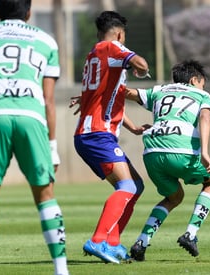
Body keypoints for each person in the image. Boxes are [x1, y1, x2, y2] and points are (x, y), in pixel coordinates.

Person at [0, 0, 69, 274]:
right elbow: (49, 100)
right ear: (29, 12)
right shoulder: (45, 41)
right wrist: (52, 147)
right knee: (45, 194)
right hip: (32, 117)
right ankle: (61, 269)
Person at [124, 60, 210, 261]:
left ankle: (141, 242)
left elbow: (126, 93)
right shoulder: (201, 95)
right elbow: (205, 117)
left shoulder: (159, 90)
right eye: (202, 83)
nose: (204, 87)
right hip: (181, 151)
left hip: (151, 153)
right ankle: (191, 234)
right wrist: (204, 152)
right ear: (195, 80)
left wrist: (92, 94)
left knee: (174, 197)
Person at [73, 11, 150, 264]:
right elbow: (141, 64)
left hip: (95, 134)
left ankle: (113, 243)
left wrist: (132, 128)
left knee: (136, 186)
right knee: (126, 186)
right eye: (123, 37)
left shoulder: (93, 55)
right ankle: (97, 241)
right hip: (97, 135)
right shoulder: (112, 47)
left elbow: (111, 97)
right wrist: (140, 67)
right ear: (119, 34)